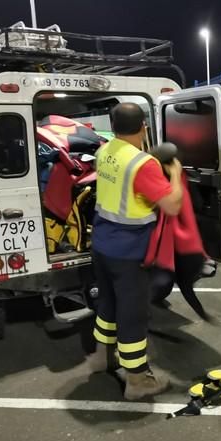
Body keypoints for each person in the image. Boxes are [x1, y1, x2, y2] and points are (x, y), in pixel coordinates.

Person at [86, 103, 184, 400]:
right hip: (129, 252)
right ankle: (137, 381)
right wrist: (176, 175)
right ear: (144, 126)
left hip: (102, 244)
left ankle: (102, 357)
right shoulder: (143, 164)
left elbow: (122, 182)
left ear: (112, 126)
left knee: (108, 304)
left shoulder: (104, 152)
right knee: (133, 314)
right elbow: (172, 205)